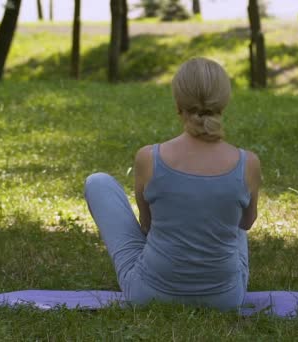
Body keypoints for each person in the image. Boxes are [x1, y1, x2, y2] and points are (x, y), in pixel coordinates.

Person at [84, 57, 261, 311]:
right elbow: (245, 224)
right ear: (224, 102)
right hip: (225, 298)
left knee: (97, 182)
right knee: (232, 219)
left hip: (148, 293)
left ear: (178, 103)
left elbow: (148, 225)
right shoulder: (248, 163)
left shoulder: (149, 158)